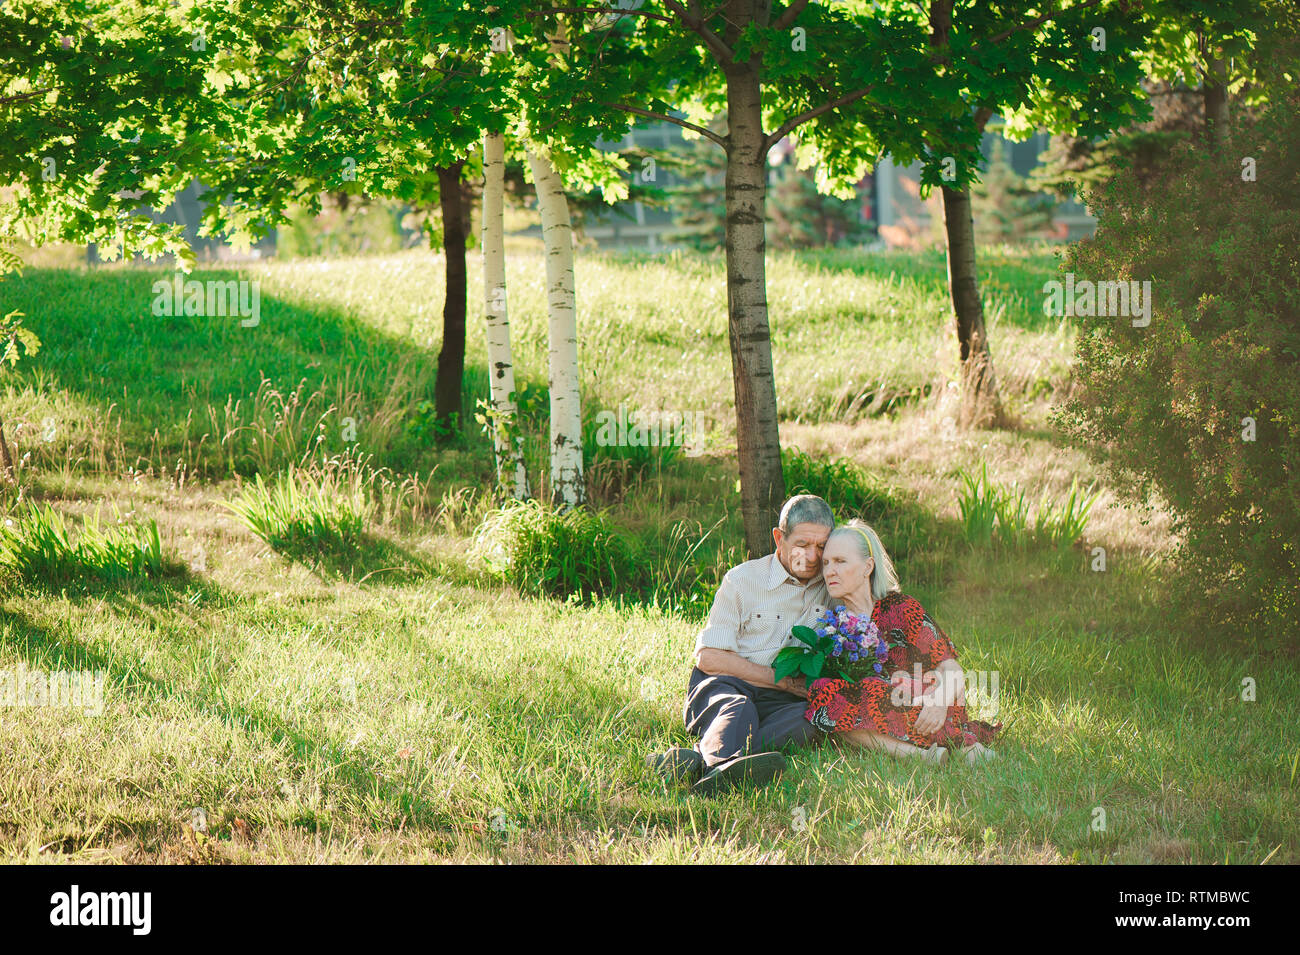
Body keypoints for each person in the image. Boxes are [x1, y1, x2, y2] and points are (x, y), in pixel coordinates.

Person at [646, 495, 834, 794]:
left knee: (812, 719)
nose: (812, 556)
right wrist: (782, 681)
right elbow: (709, 658)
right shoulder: (743, 580)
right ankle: (721, 774)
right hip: (725, 686)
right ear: (778, 538)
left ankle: (695, 761)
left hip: (781, 704)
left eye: (822, 546)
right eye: (802, 544)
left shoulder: (831, 586)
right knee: (739, 708)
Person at [802, 519, 1001, 765]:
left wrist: (938, 703)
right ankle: (924, 757)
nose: (830, 570)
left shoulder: (901, 608)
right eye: (826, 563)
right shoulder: (834, 627)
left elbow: (952, 671)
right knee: (825, 693)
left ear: (867, 567)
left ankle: (959, 744)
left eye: (840, 561)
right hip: (878, 711)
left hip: (928, 706)